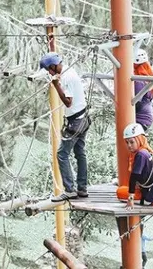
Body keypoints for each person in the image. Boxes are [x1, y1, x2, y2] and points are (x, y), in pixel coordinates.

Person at [40, 53, 90, 202]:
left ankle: (69, 190)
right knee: (80, 153)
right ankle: (82, 188)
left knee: (62, 154)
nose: (50, 72)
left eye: (49, 69)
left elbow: (68, 102)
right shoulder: (69, 71)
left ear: (54, 65)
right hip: (83, 118)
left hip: (75, 122)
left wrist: (55, 85)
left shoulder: (66, 77)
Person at [117, 123, 153, 208]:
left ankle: (144, 198)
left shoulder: (140, 155)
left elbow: (133, 177)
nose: (129, 145)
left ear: (139, 139)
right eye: (127, 142)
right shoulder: (146, 150)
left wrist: (131, 198)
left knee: (119, 192)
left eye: (132, 142)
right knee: (126, 187)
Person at [133, 49, 153, 131]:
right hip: (144, 119)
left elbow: (137, 104)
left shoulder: (139, 80)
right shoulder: (146, 77)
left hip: (140, 120)